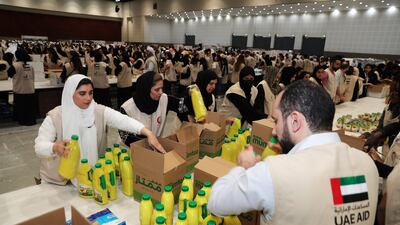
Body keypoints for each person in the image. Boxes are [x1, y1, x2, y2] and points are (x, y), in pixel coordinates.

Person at [208, 80, 379, 224]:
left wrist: (243, 167)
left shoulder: (273, 173)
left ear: (295, 121)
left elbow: (216, 203)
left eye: (276, 120)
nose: (274, 131)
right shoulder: (367, 164)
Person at [34, 74, 164, 185]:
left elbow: (123, 120)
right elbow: (39, 146)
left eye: (91, 93)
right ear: (70, 94)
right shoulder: (56, 116)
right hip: (59, 181)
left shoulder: (98, 111)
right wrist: (54, 147)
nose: (88, 98)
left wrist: (147, 132)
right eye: (82, 94)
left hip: (90, 177)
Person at [119, 71, 188, 146]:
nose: (161, 92)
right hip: (133, 150)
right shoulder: (127, 108)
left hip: (156, 148)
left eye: (162, 88)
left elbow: (183, 107)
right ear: (146, 89)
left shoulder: (163, 99)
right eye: (157, 89)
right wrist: (148, 141)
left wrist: (191, 93)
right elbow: (125, 137)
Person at [8, 48, 37, 126]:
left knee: (22, 108)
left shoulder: (15, 66)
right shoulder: (30, 66)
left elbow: (9, 75)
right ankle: (31, 121)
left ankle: (23, 121)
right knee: (29, 108)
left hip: (20, 90)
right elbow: (33, 77)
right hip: (30, 90)